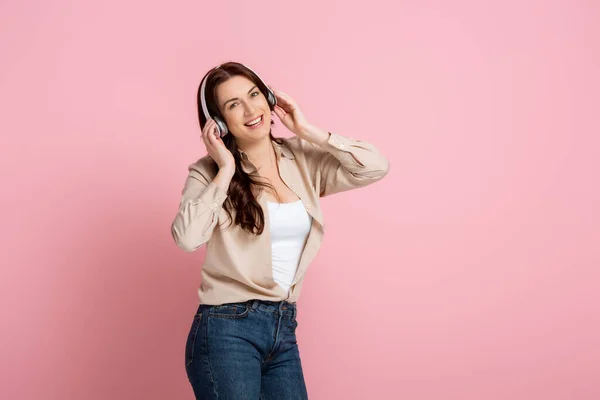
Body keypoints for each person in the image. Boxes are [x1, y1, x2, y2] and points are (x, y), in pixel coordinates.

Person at [171, 61, 390, 399]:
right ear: (218, 123)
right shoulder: (209, 173)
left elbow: (376, 167)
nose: (249, 109)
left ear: (269, 97)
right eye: (233, 105)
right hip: (226, 329)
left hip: (283, 327)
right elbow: (186, 238)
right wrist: (226, 169)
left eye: (254, 94)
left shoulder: (302, 159)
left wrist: (308, 131)